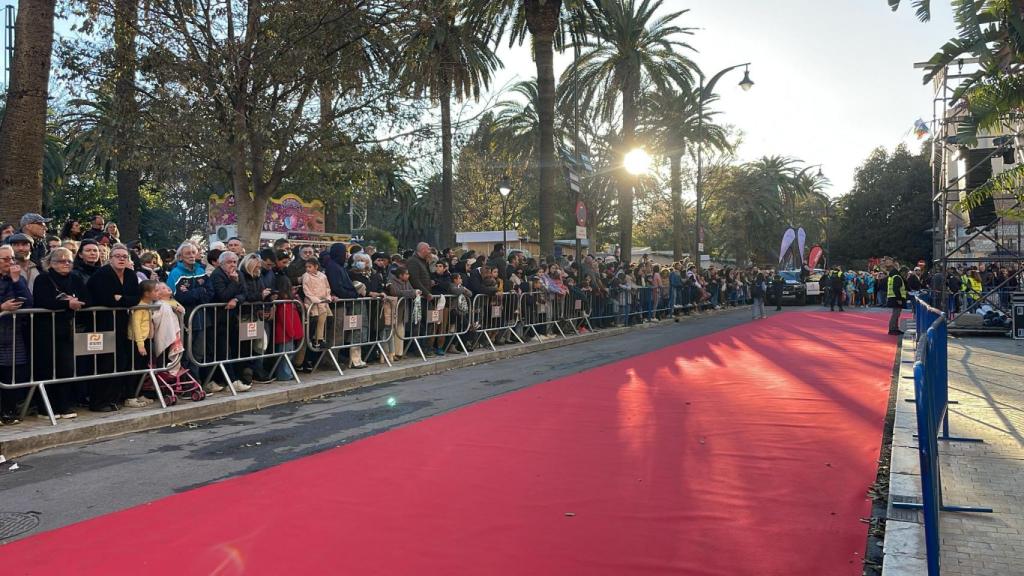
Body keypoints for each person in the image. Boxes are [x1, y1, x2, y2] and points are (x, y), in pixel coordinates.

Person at [31, 247, 89, 419]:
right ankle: (45, 408)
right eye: (61, 260)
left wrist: (77, 303)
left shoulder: (76, 278)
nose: (65, 263)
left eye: (68, 260)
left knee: (66, 368)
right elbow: (42, 301)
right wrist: (67, 304)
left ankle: (64, 406)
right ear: (51, 263)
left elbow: (87, 299)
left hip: (67, 329)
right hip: (45, 330)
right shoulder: (43, 278)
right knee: (46, 368)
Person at [85, 244, 142, 412]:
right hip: (100, 324)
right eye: (118, 256)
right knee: (104, 363)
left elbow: (135, 298)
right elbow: (106, 299)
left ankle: (113, 399)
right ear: (110, 258)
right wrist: (122, 299)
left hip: (122, 325)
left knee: (120, 361)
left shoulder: (131, 275)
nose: (121, 259)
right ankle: (98, 402)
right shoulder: (101, 274)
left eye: (125, 256)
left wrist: (120, 298)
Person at [1, 244, 32, 424]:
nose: (10, 262)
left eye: (12, 258)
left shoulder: (15, 279)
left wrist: (17, 280)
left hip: (13, 334)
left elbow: (29, 303)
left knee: (11, 374)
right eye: (5, 259)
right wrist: (2, 308)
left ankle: (9, 412)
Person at [886, 264, 908, 335]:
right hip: (896, 298)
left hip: (893, 297)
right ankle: (892, 329)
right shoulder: (897, 277)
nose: (906, 274)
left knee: (896, 314)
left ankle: (895, 328)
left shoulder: (893, 276)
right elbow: (896, 289)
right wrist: (899, 299)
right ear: (903, 272)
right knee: (895, 314)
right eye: (906, 273)